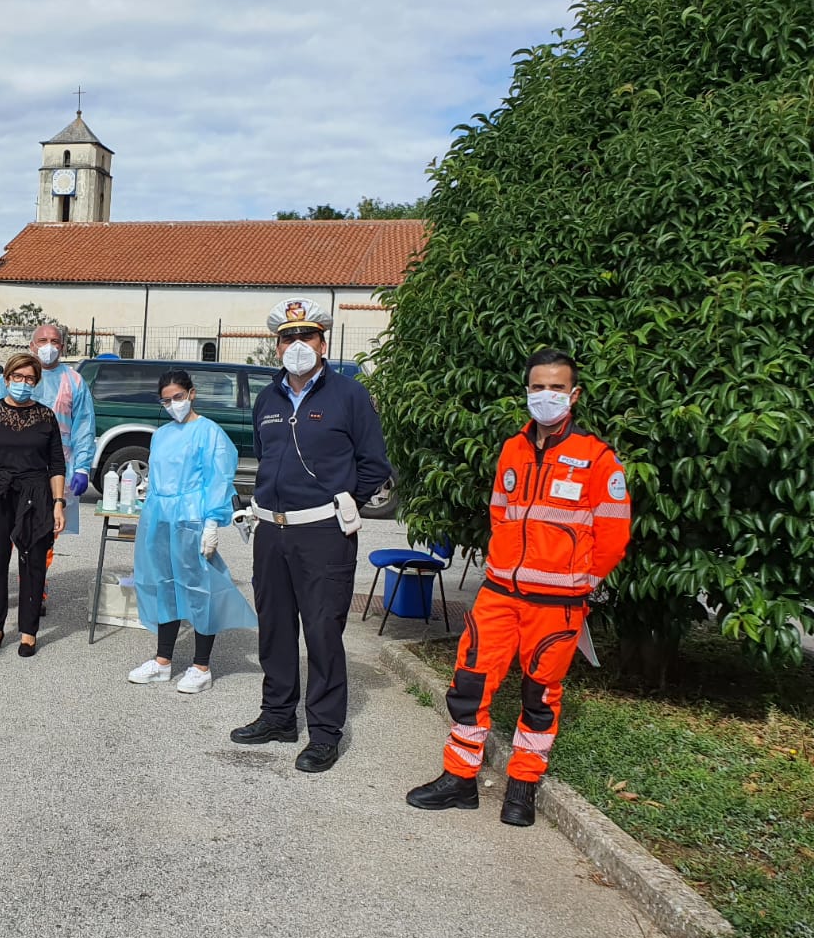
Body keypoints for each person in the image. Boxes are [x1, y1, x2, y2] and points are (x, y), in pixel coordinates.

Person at [407, 349, 631, 826]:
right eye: (537, 387)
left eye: (555, 388)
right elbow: (499, 513)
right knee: (469, 684)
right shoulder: (512, 448)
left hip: (558, 605)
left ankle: (523, 787)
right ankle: (459, 779)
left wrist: (577, 584)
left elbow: (614, 537)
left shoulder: (597, 458)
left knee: (540, 694)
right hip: (500, 595)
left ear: (574, 395)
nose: (545, 396)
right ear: (526, 391)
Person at [230, 297, 391, 773]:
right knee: (275, 627)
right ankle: (278, 715)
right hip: (272, 532)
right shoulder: (268, 397)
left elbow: (374, 463)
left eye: (307, 336)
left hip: (323, 532)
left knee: (322, 632)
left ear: (323, 341)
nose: (297, 345)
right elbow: (264, 454)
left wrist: (346, 502)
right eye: (288, 338)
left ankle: (323, 732)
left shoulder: (349, 395)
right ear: (276, 345)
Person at [127, 370, 258, 692]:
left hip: (192, 519)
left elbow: (218, 478)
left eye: (178, 397)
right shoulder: (161, 435)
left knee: (199, 588)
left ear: (192, 393)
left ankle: (201, 666)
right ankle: (162, 661)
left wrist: (213, 522)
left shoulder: (209, 433)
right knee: (163, 586)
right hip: (159, 517)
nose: (174, 404)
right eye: (167, 400)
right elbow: (157, 477)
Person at [0, 322, 95, 616]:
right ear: (31, 344)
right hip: (6, 472)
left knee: (41, 535)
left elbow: (84, 426)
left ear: (62, 346)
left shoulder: (74, 381)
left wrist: (82, 468)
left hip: (50, 472)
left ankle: (35, 590)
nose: (48, 345)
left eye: (54, 340)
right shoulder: (9, 379)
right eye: (42, 340)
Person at [0, 353, 66, 657]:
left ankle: (28, 632)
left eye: (29, 379)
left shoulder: (46, 417)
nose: (23, 383)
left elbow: (56, 464)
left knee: (33, 562)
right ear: (6, 379)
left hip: (35, 494)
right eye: (17, 377)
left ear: (36, 382)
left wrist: (58, 504)